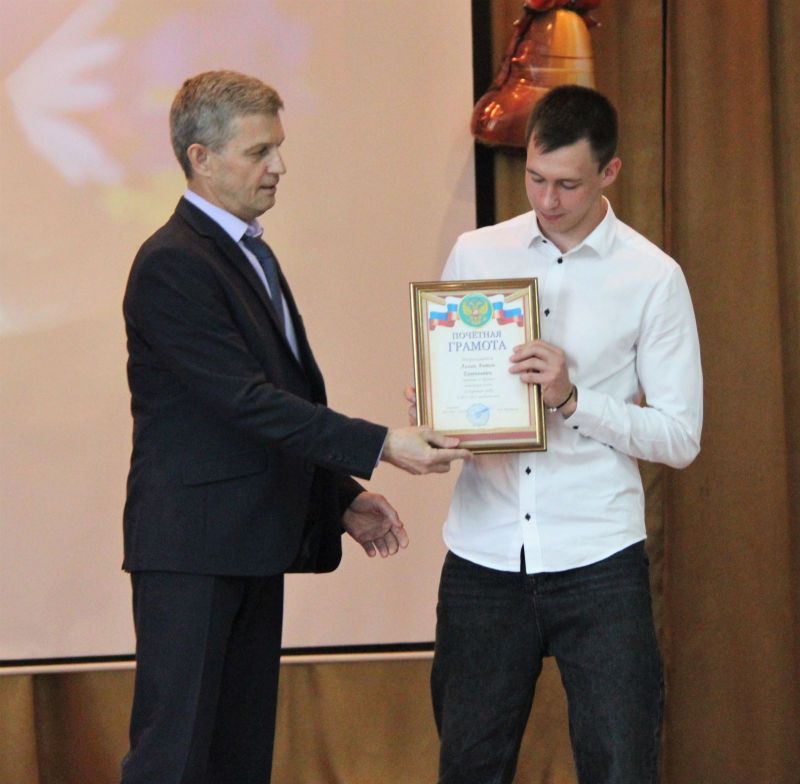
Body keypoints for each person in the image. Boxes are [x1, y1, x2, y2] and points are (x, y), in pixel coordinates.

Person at [120, 70, 469, 784]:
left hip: (247, 543)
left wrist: (339, 497)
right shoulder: (173, 262)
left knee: (238, 760)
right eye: (259, 152)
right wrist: (382, 444)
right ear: (201, 158)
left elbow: (270, 402)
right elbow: (246, 402)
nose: (279, 166)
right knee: (173, 761)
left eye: (278, 147)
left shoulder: (247, 250)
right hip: (193, 552)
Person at [413, 85, 703, 783]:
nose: (547, 200)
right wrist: (439, 411)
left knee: (621, 765)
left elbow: (680, 436)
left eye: (567, 184)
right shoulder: (478, 252)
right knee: (469, 764)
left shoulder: (652, 277)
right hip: (484, 553)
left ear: (610, 172)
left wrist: (574, 399)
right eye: (536, 178)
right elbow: (447, 384)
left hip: (598, 554)